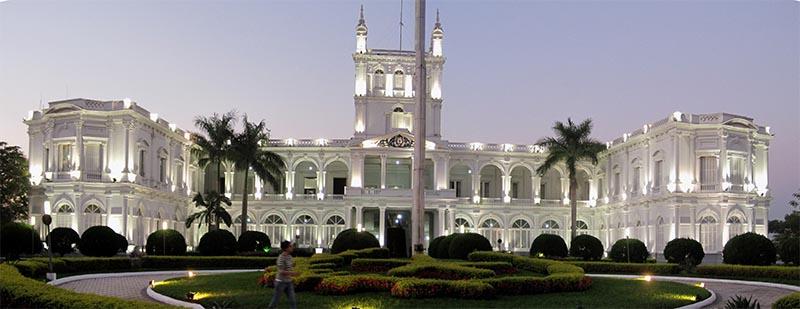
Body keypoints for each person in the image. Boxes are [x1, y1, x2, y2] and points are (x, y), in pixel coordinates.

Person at [267, 241, 298, 309]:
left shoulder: (290, 256)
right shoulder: (281, 257)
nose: (292, 247)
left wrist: (293, 266)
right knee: (275, 300)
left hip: (288, 282)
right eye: (290, 246)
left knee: (292, 300)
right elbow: (281, 271)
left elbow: (289, 267)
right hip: (280, 282)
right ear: (286, 248)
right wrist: (292, 273)